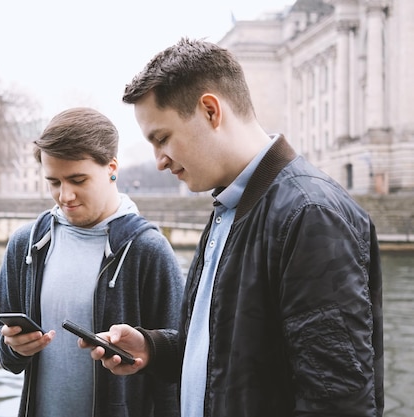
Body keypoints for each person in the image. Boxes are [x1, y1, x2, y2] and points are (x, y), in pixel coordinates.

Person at [86, 38, 384, 417]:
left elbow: (338, 400)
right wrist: (155, 348)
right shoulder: (230, 206)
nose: (159, 161)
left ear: (211, 110)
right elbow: (236, 356)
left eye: (162, 138)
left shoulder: (310, 214)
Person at [0, 107, 183, 417]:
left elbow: (180, 358)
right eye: (54, 182)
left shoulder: (149, 249)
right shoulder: (24, 244)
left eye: (78, 180)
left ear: (112, 168)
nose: (65, 196)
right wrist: (12, 347)